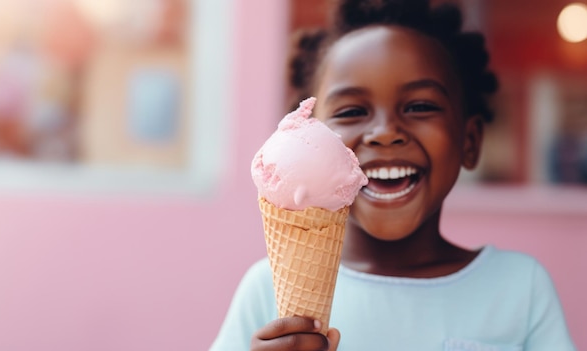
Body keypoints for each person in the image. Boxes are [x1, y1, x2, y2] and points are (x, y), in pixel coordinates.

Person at [211, 0, 577, 350]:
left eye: (420, 106)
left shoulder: (519, 287)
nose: (385, 132)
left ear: (469, 141)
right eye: (352, 110)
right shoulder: (266, 289)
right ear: (308, 140)